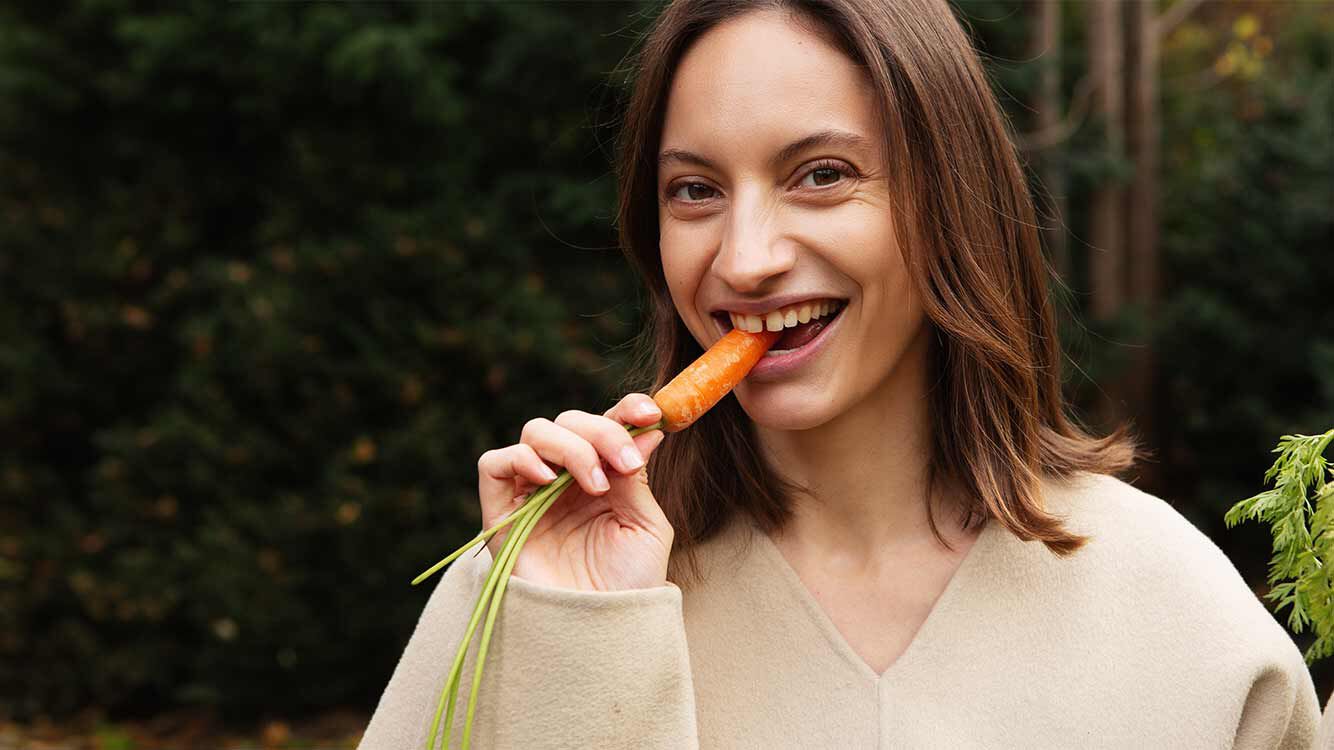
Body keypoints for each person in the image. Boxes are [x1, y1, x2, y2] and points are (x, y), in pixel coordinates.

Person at [358, 0, 1320, 747]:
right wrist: (579, 646)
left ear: (954, 200)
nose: (744, 259)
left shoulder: (1174, 612)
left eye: (820, 174)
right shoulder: (528, 590)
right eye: (693, 190)